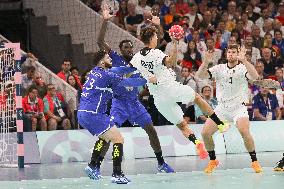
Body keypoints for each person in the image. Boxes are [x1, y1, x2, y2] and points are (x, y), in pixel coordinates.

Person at [95, 5, 174, 173]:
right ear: (120, 50)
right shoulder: (116, 59)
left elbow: (156, 43)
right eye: (126, 47)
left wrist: (157, 25)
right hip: (119, 104)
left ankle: (161, 163)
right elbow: (100, 42)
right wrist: (105, 21)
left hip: (135, 103)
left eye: (131, 46)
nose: (129, 49)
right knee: (109, 134)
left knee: (151, 130)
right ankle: (95, 165)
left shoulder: (138, 59)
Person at [130, 25, 228, 160]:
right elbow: (171, 62)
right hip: (170, 87)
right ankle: (220, 124)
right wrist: (175, 43)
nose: (157, 38)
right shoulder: (156, 53)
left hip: (158, 97)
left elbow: (131, 73)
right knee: (198, 98)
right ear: (152, 38)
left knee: (181, 125)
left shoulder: (136, 57)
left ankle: (198, 144)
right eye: (156, 37)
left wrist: (146, 77)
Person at [77, 50, 145, 184]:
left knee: (105, 137)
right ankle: (117, 173)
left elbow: (119, 72)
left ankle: (93, 166)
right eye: (108, 57)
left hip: (83, 113)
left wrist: (132, 68)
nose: (111, 59)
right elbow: (128, 81)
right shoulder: (107, 75)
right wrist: (148, 78)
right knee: (118, 139)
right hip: (93, 113)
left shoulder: (95, 72)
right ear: (102, 62)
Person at [196, 44, 263, 173]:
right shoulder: (219, 68)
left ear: (238, 54)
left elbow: (255, 77)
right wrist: (205, 62)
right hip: (222, 108)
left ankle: (254, 161)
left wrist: (244, 60)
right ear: (226, 54)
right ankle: (213, 160)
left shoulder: (243, 68)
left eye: (234, 52)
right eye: (229, 52)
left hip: (238, 107)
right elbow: (200, 75)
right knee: (205, 133)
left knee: (244, 131)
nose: (231, 54)